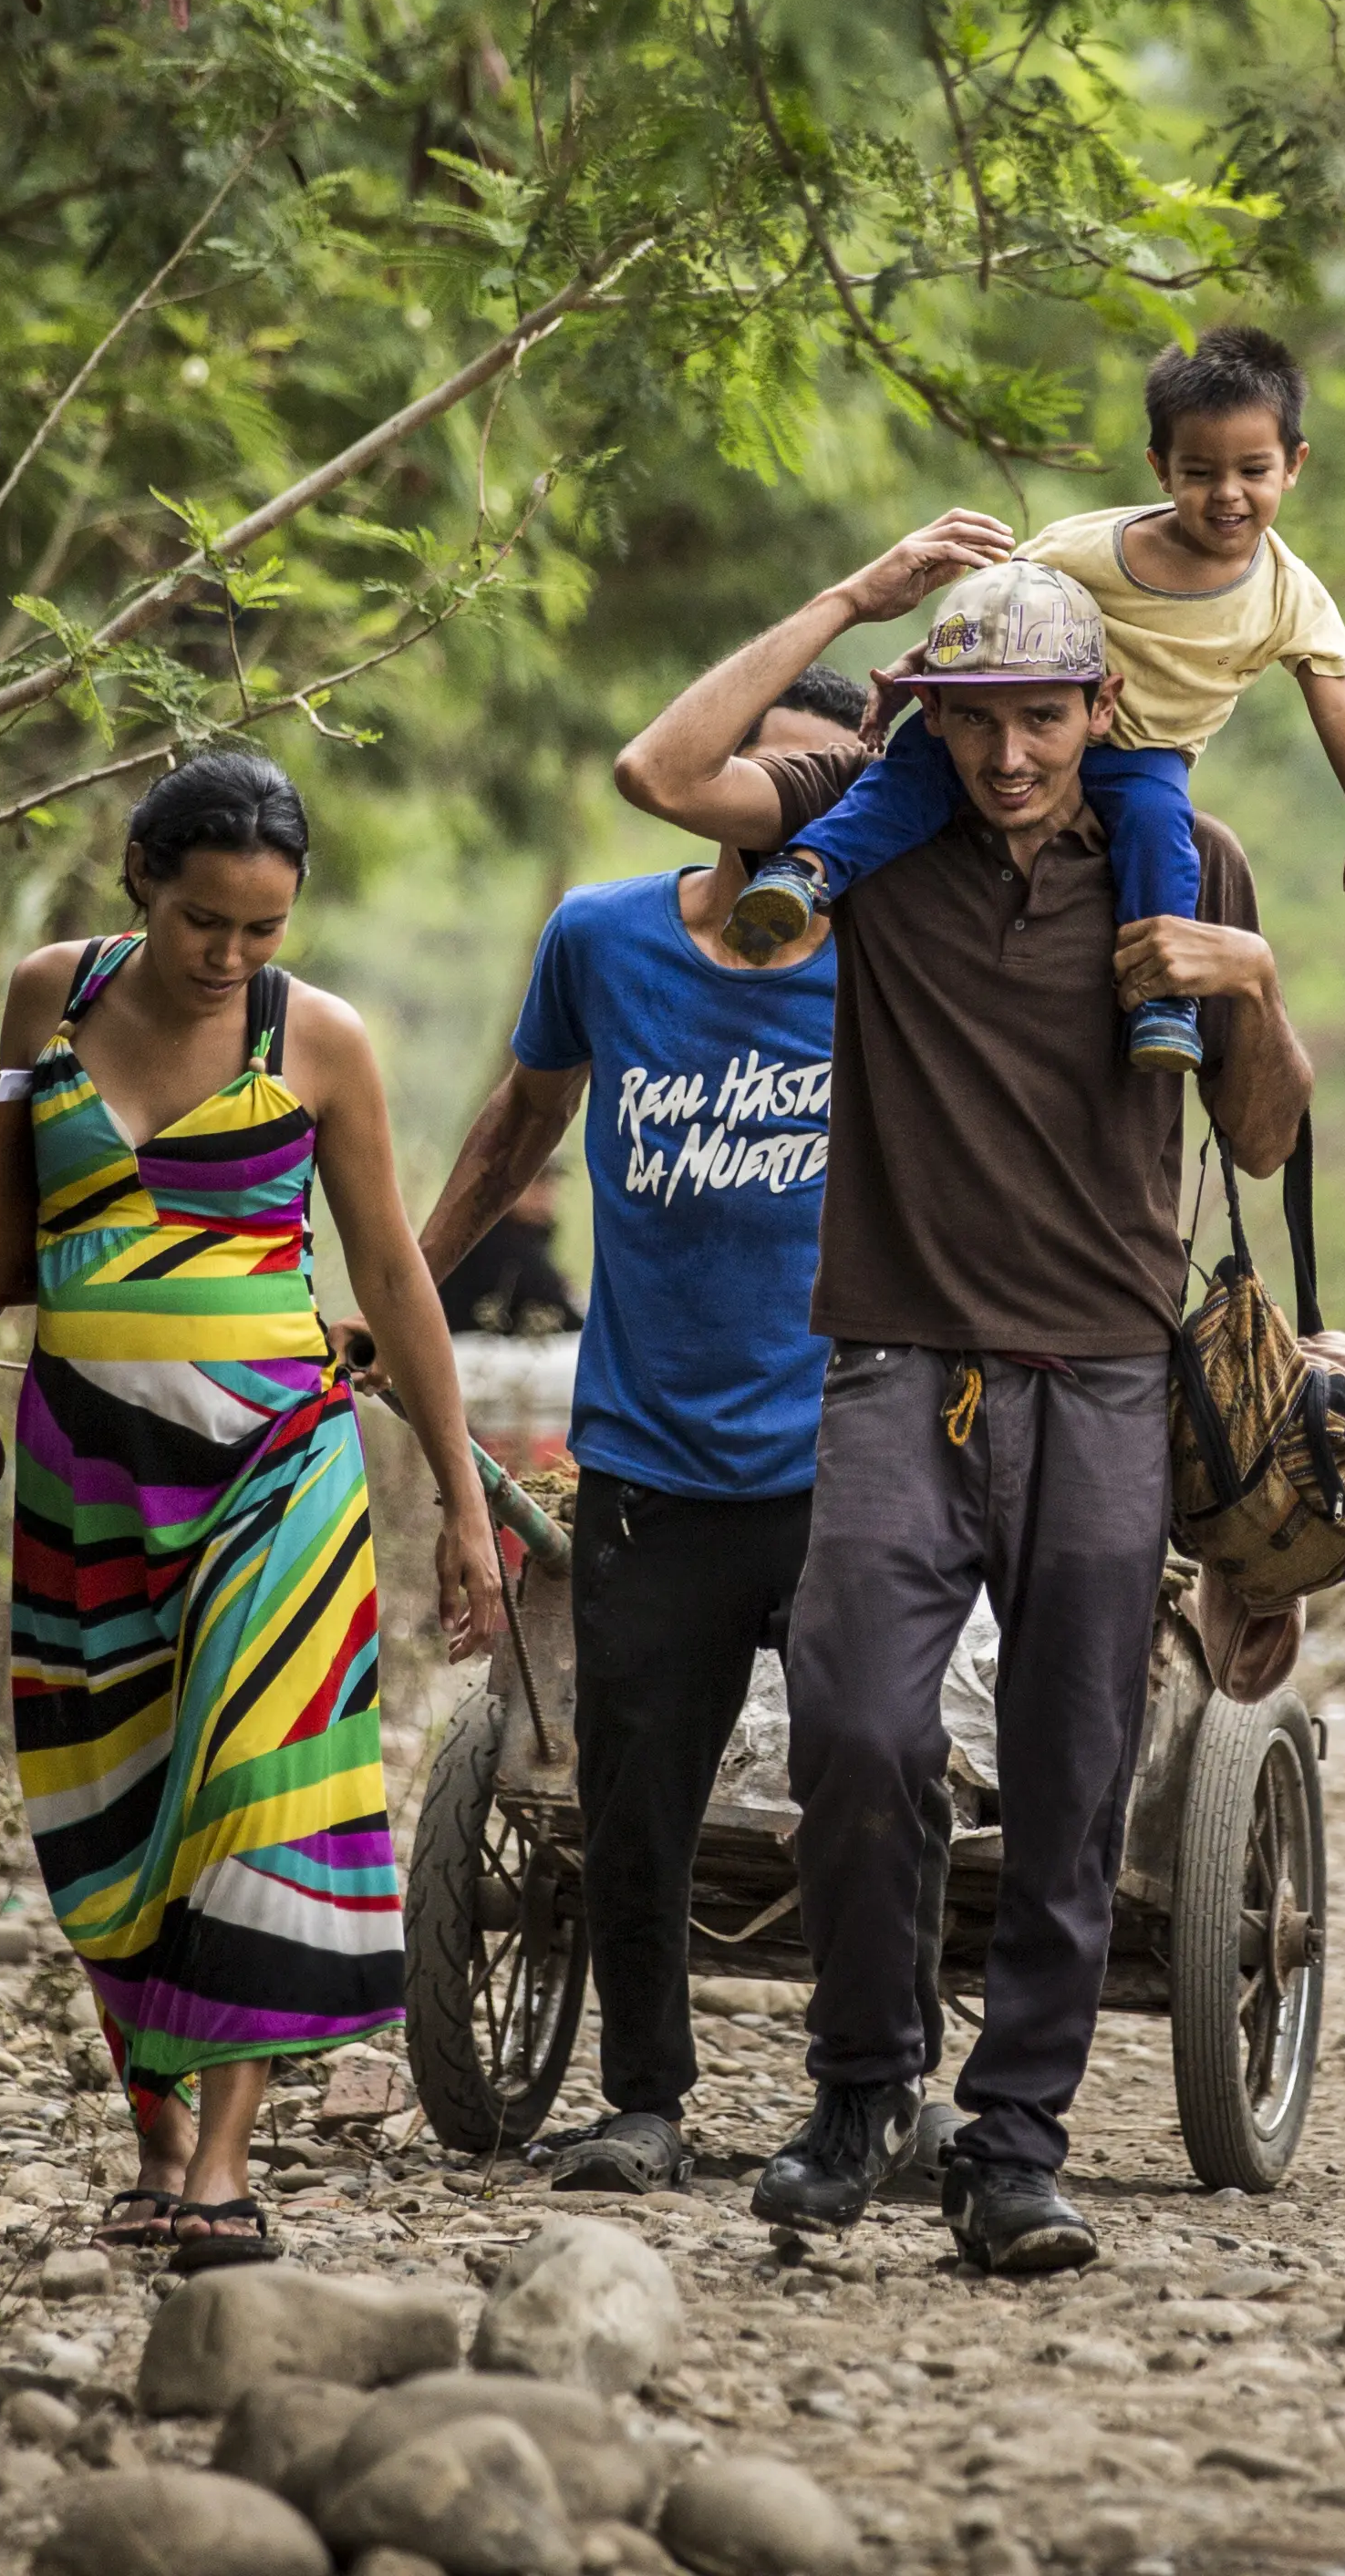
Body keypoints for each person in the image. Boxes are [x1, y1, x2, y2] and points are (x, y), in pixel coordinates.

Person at [616, 529, 1315, 2275]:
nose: (1010, 758)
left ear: (1102, 708)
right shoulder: (883, 826)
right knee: (858, 1725)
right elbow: (663, 772)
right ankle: (863, 2090)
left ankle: (1015, 2150)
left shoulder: (1190, 860)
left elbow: (1263, 1141)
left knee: (1077, 1772)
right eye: (979, 719)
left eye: (1044, 721)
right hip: (893, 1364)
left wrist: (1255, 986)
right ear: (939, 716)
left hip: (1101, 1377)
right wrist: (853, 600)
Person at [0, 750, 502, 2267]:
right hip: (85, 1469)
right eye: (204, 921)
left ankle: (223, 2169)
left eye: (262, 930)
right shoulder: (50, 999)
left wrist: (464, 1504)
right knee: (110, 1810)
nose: (229, 955)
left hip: (278, 1470)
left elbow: (394, 1281)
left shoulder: (322, 1043)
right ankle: (153, 2143)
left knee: (251, 1796)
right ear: (145, 879)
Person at [412, 660, 916, 2199]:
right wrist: (406, 1292)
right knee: (633, 1792)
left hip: (852, 1450)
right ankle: (646, 2099)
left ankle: (883, 2090)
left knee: (884, 1768)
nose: (793, 812)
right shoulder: (605, 939)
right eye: (769, 778)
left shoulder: (903, 959)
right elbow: (515, 1127)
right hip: (649, 1455)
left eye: (838, 788)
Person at [723, 325, 1345, 1071]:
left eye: (1253, 470)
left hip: (1144, 754)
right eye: (1200, 472)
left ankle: (1162, 1001)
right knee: (912, 771)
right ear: (1160, 468)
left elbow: (1336, 700)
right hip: (1025, 722)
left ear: (1294, 465)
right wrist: (918, 671)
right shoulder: (1088, 547)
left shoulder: (1289, 594)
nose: (1228, 493)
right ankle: (806, 874)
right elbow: (988, 610)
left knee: (1160, 837)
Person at [433, 1168, 585, 1338]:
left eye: (553, 1180)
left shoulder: (511, 1236)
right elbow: (571, 1319)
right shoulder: (501, 1243)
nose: (547, 1191)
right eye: (537, 1179)